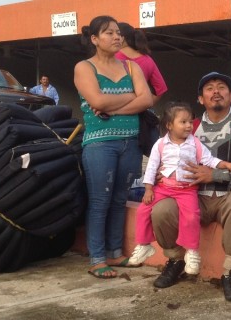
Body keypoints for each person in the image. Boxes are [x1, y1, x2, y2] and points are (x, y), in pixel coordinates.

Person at [149, 72, 231, 301]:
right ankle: (175, 261)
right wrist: (159, 177)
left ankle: (230, 272)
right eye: (209, 88)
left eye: (222, 87)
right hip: (191, 196)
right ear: (201, 99)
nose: (216, 92)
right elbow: (162, 155)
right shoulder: (185, 126)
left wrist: (215, 175)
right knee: (161, 210)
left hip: (230, 195)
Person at [73, 15, 153, 279]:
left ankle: (115, 252)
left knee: (120, 199)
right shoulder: (84, 68)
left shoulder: (131, 68)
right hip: (99, 144)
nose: (117, 37)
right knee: (99, 200)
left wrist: (110, 105)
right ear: (95, 39)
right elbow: (96, 99)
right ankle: (97, 258)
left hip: (130, 143)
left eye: (118, 33)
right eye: (109, 33)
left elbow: (147, 100)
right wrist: (132, 97)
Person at [127, 102, 231, 273]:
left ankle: (192, 252)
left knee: (191, 217)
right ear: (169, 125)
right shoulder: (160, 144)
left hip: (187, 190)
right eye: (183, 122)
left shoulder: (195, 143)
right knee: (144, 210)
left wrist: (226, 164)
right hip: (163, 188)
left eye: (190, 122)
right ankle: (144, 245)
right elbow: (151, 167)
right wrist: (149, 189)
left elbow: (209, 160)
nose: (189, 125)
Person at [116, 22, 167, 103]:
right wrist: (144, 105)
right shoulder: (147, 59)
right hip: (139, 110)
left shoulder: (112, 57)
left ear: (122, 38)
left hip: (115, 109)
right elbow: (161, 89)